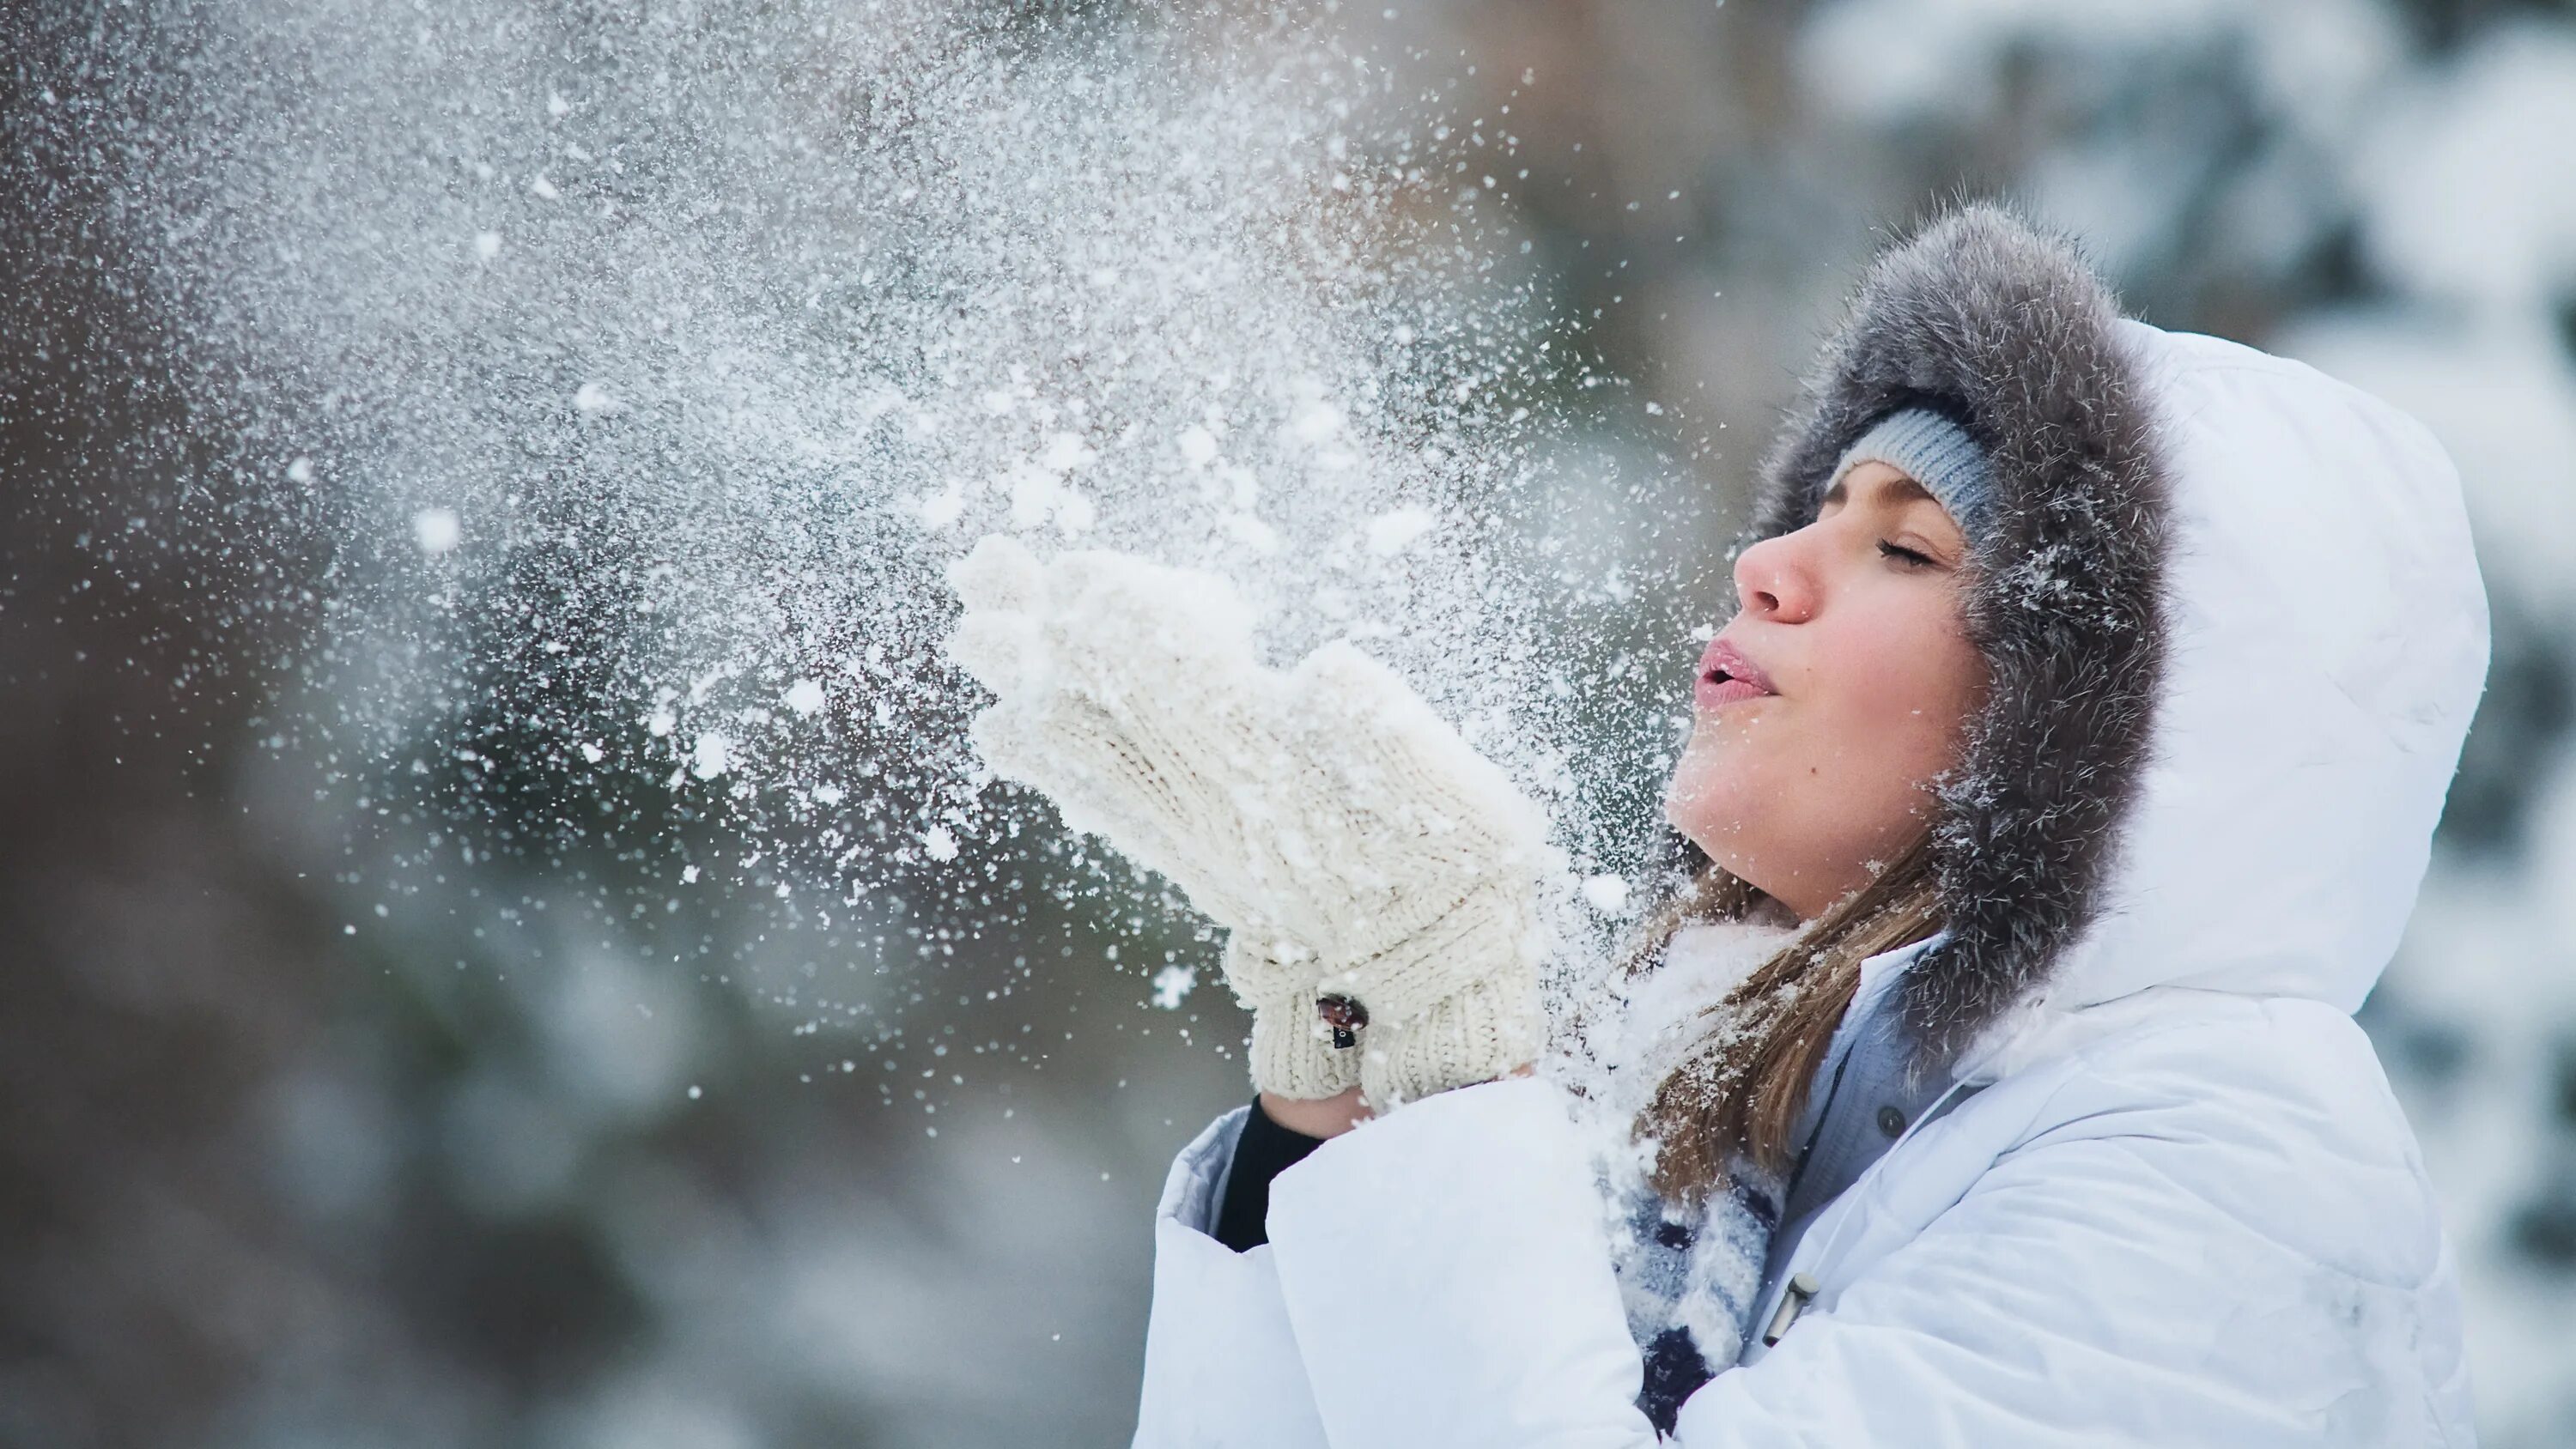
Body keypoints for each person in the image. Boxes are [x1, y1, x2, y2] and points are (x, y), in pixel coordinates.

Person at [946, 201, 2489, 1446]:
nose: (1771, 561)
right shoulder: (1770, 1101)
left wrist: (1451, 1066)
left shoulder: (2222, 1185)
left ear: (2091, 724)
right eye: (1819, 504)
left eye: (1905, 547)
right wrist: (1340, 1091)